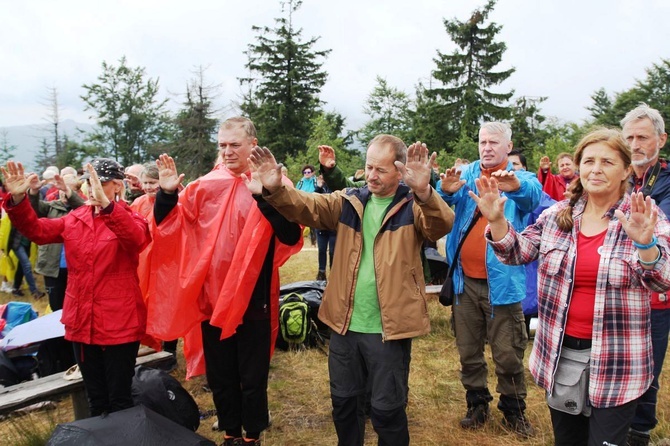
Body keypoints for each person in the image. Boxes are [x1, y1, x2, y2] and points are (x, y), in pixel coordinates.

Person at [249, 135, 454, 446]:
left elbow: (440, 225)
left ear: (400, 171)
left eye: (381, 170)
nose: (371, 175)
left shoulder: (413, 206)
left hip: (389, 328)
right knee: (344, 406)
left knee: (387, 411)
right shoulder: (350, 202)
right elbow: (307, 206)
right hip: (344, 326)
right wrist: (275, 189)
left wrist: (425, 191)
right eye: (369, 167)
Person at [475, 127, 670, 446]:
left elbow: (662, 279)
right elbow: (518, 252)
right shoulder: (557, 217)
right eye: (589, 160)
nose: (596, 168)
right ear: (579, 167)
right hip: (561, 357)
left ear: (624, 170)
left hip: (618, 362)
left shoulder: (643, 216)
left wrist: (646, 244)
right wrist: (497, 221)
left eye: (607, 162)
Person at [148, 116, 302, 446]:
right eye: (222, 145)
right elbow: (168, 225)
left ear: (252, 145)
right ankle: (231, 433)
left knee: (253, 375)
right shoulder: (205, 186)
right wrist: (166, 193)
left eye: (234, 145)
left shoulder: (274, 184)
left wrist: (266, 196)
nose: (227, 151)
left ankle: (252, 435)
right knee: (221, 376)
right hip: (212, 299)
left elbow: (290, 234)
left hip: (254, 299)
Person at [2, 158, 150, 416]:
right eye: (88, 183)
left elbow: (136, 240)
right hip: (82, 321)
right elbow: (36, 230)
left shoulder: (131, 217)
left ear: (117, 186)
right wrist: (18, 201)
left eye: (99, 183)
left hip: (119, 321)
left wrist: (108, 208)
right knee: (95, 399)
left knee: (120, 398)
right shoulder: (75, 218)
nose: (92, 189)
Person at [436, 122, 541, 438]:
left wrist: (513, 186)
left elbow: (532, 195)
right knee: (468, 351)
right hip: (463, 282)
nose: (487, 147)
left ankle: (513, 410)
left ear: (508, 147)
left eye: (494, 142)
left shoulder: (519, 177)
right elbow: (446, 198)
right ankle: (476, 403)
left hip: (503, 284)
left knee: (508, 353)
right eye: (483, 141)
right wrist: (446, 189)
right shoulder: (466, 173)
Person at [621, 103, 670, 446]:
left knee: (647, 366)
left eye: (642, 137)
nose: (634, 144)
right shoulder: (618, 175)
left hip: (655, 292)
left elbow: (658, 229)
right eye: (628, 137)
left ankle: (639, 431)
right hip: (618, 286)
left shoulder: (666, 180)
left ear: (661, 140)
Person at [508, 150, 556, 337]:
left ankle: (524, 331)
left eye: (516, 164)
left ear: (525, 168)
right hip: (504, 251)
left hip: (528, 251)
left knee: (528, 293)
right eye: (508, 165)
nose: (512, 169)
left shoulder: (534, 193)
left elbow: (551, 209)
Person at [28, 171, 85, 311]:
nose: (63, 193)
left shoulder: (83, 208)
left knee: (76, 306)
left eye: (67, 189)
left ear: (76, 190)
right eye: (61, 189)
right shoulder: (50, 206)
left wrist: (71, 195)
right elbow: (32, 209)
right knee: (56, 307)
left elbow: (83, 207)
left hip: (77, 267)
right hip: (53, 267)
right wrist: (33, 192)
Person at [314, 174, 336, 282]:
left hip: (334, 227)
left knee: (333, 251)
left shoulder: (335, 187)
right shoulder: (318, 189)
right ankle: (321, 272)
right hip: (321, 226)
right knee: (322, 250)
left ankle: (333, 273)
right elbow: (313, 199)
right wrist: (318, 186)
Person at [296, 164, 318, 246]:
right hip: (302, 205)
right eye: (305, 172)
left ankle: (314, 241)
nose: (306, 174)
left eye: (308, 172)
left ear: (313, 173)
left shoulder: (316, 181)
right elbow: (296, 191)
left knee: (313, 224)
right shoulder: (300, 182)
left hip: (313, 204)